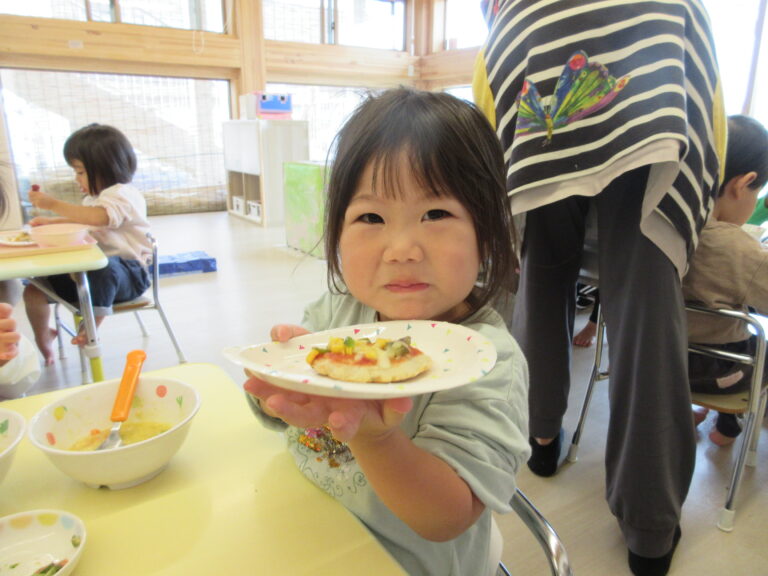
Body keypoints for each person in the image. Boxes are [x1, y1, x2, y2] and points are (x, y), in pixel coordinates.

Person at [473, 2, 726, 575]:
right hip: (651, 34)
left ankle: (539, 441)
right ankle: (649, 533)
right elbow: (707, 106)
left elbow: (488, 88)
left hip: (529, 40)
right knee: (644, 302)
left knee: (540, 273)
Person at [243, 87, 530, 576]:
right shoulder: (338, 314)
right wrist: (275, 386)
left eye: (436, 214)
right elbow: (280, 415)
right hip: (317, 535)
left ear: (486, 234)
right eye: (370, 217)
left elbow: (446, 517)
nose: (401, 248)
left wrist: (374, 439)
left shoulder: (487, 361)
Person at [24, 124, 151, 365]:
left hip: (129, 276)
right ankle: (43, 336)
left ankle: (90, 329)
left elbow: (99, 217)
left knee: (103, 266)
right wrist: (52, 223)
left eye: (80, 172)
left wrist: (51, 204)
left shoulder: (123, 194)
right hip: (90, 276)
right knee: (33, 287)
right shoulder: (93, 199)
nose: (76, 179)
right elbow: (83, 220)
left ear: (104, 168)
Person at [683, 114, 768, 447]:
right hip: (714, 373)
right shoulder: (740, 248)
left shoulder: (666, 228)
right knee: (757, 348)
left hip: (653, 361)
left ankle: (692, 408)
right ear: (741, 184)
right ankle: (728, 429)